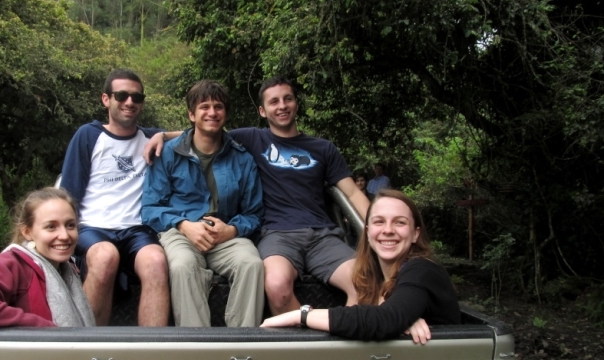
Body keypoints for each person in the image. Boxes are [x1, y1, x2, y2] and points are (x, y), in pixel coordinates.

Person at [145, 77, 370, 316]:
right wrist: (161, 135)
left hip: (321, 235)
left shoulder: (322, 148)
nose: (282, 106)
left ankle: (334, 337)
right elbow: (206, 129)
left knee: (366, 282)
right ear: (262, 111)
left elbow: (353, 193)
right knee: (269, 284)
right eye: (274, 101)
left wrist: (378, 228)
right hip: (276, 234)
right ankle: (199, 348)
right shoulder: (253, 139)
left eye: (288, 99)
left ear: (296, 104)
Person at [261, 189, 460, 343]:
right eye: (379, 222)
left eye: (399, 223)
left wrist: (302, 315)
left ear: (416, 233)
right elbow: (372, 319)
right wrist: (404, 317)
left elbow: (384, 320)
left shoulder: (421, 270)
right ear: (367, 230)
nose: (388, 230)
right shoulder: (373, 274)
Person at [142, 80, 264, 327]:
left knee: (252, 264)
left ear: (225, 114)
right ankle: (196, 349)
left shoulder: (242, 158)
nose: (212, 112)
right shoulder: (168, 153)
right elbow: (150, 208)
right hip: (180, 232)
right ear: (191, 114)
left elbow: (254, 212)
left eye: (218, 107)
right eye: (204, 107)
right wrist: (184, 225)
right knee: (183, 266)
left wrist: (231, 230)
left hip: (225, 234)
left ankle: (242, 346)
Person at [60, 68, 169, 326]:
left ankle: (152, 354)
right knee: (105, 256)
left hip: (136, 229)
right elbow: (68, 195)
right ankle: (87, 346)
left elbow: (197, 134)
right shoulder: (88, 135)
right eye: (121, 95)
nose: (129, 102)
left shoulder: (150, 138)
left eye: (137, 97)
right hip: (93, 228)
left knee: (156, 261)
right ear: (106, 99)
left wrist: (164, 135)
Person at [0, 188, 95, 328]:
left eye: (70, 225)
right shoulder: (11, 264)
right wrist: (45, 329)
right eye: (51, 227)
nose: (64, 235)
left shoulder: (68, 268)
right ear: (27, 232)